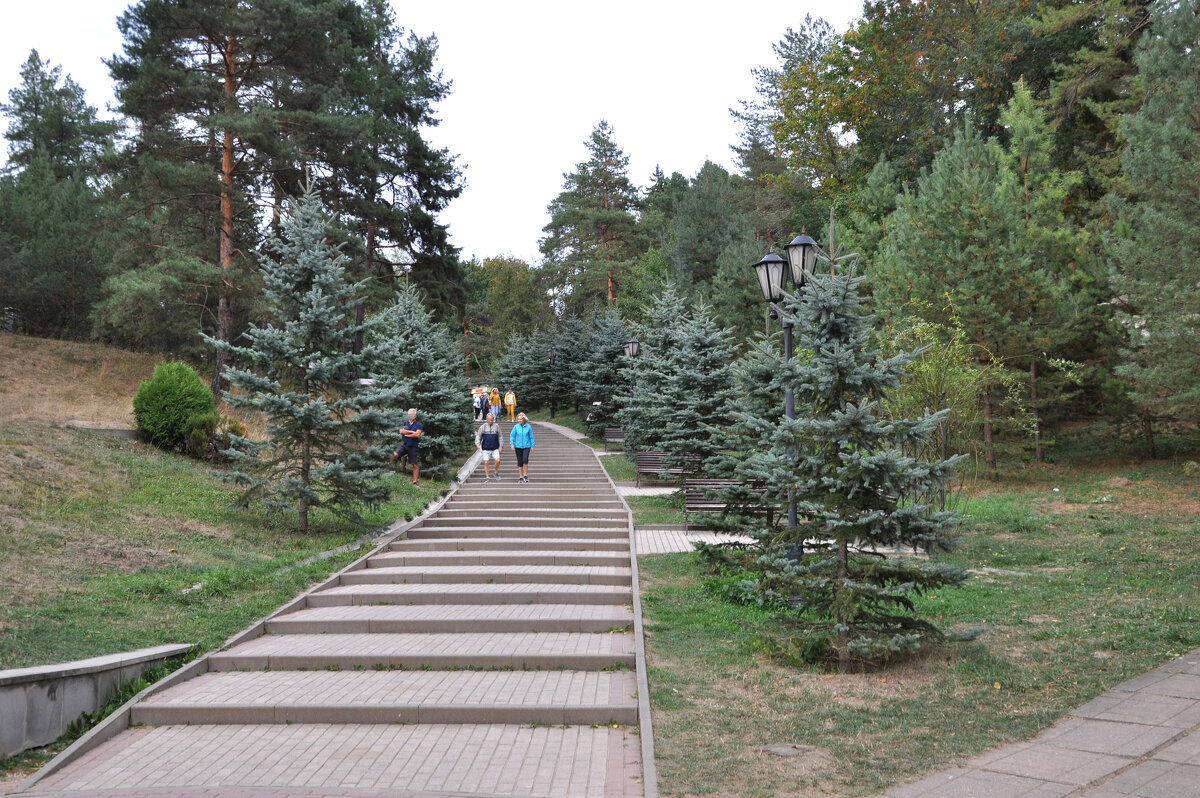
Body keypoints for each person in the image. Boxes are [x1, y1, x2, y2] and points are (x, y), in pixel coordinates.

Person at [390, 408, 423, 485]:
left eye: (413, 414)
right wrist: (412, 432)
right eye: (410, 414)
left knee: (414, 465)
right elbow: (401, 431)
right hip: (405, 445)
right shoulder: (404, 423)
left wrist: (407, 434)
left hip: (413, 447)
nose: (411, 415)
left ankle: (415, 482)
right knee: (395, 454)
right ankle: (384, 468)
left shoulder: (418, 424)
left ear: (416, 415)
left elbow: (417, 434)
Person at [475, 411, 503, 480]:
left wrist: (501, 446)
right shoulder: (483, 427)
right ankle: (487, 476)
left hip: (495, 448)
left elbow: (500, 436)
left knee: (497, 460)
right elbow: (478, 436)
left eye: (492, 420)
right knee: (486, 462)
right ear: (487, 419)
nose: (491, 421)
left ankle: (495, 472)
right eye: (489, 420)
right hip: (486, 448)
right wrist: (477, 444)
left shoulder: (497, 426)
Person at [509, 412, 535, 483]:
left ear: (524, 419)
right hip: (518, 447)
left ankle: (525, 475)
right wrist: (512, 444)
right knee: (520, 462)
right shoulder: (516, 427)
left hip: (527, 446)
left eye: (520, 419)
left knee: (525, 460)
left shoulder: (528, 427)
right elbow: (512, 436)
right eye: (518, 419)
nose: (519, 420)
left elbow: (531, 437)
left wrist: (532, 446)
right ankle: (521, 477)